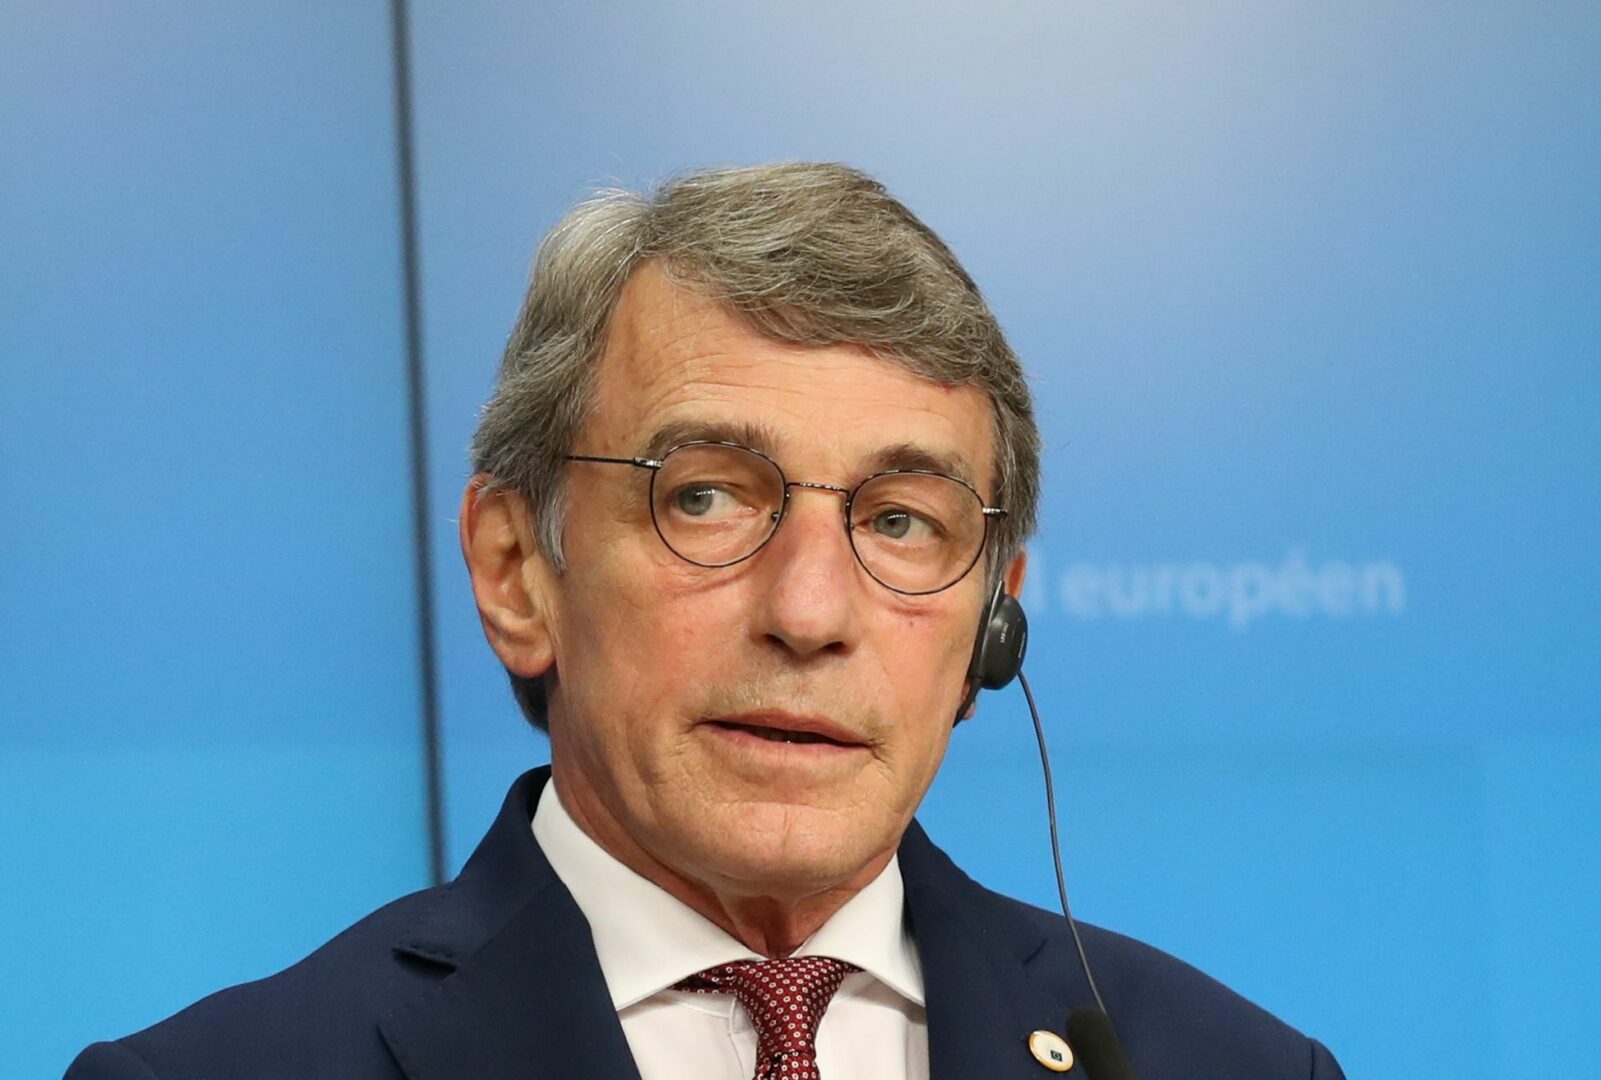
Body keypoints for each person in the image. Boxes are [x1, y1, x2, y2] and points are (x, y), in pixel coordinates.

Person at [68, 163, 1345, 1079]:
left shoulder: (1227, 1065)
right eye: (706, 497)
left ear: (988, 627)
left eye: (902, 521)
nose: (809, 613)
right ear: (515, 571)